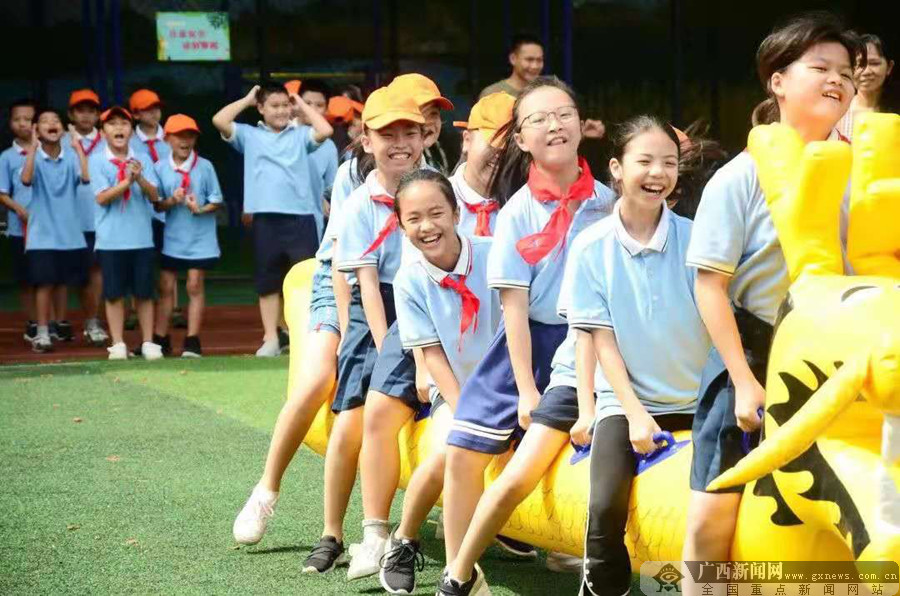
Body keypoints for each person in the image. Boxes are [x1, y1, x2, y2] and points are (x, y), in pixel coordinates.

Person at [681, 13, 860, 595]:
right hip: (754, 352)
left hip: (848, 358)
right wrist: (743, 380)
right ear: (777, 81)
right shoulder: (740, 176)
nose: (838, 81)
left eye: (846, 72)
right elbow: (710, 285)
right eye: (821, 68)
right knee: (713, 514)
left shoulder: (869, 170)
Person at [437, 76, 616, 596]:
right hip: (532, 342)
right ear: (520, 140)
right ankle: (462, 569)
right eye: (538, 119)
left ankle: (583, 551)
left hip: (595, 342)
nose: (554, 125)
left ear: (582, 126)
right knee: (464, 448)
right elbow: (513, 309)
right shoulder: (516, 211)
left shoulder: (609, 202)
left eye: (563, 113)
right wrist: (527, 390)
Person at [565, 116, 711, 596]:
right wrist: (632, 415)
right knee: (605, 506)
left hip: (699, 397)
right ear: (617, 168)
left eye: (669, 163)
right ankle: (604, 582)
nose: (658, 172)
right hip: (627, 402)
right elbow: (600, 338)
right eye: (645, 161)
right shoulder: (589, 247)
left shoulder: (698, 238)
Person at [299, 86, 425, 576]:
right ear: (366, 140)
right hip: (376, 308)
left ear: (424, 137)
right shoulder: (357, 203)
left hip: (426, 302)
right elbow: (364, 286)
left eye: (409, 132)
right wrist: (384, 348)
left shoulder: (435, 188)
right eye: (386, 134)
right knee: (354, 414)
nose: (399, 143)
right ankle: (333, 531)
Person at [375, 170, 500, 594]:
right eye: (414, 218)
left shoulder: (495, 255)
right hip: (458, 392)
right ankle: (405, 538)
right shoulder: (410, 281)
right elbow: (433, 355)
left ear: (456, 212)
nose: (427, 226)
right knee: (454, 447)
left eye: (436, 213)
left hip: (508, 388)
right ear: (400, 225)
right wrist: (467, 412)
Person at [212, 82, 334, 357]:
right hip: (266, 218)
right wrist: (246, 98)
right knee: (267, 281)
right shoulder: (249, 135)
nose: (280, 111)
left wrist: (299, 103)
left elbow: (325, 130)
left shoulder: (301, 135)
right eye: (274, 106)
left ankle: (304, 337)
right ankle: (271, 338)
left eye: (284, 105)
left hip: (300, 217)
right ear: (261, 108)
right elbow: (219, 120)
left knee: (305, 280)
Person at [89, 106, 163, 361]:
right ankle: (118, 343)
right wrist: (126, 182)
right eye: (112, 124)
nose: (119, 128)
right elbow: (101, 198)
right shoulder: (97, 160)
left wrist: (140, 178)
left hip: (141, 237)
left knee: (144, 293)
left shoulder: (142, 157)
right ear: (102, 132)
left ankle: (148, 342)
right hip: (111, 240)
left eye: (124, 124)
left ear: (131, 130)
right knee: (114, 293)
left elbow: (155, 196)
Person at [19, 109, 91, 353]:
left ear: (62, 128)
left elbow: (86, 176)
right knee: (44, 283)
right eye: (44, 121)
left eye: (56, 120)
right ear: (36, 130)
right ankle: (41, 333)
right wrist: (31, 147)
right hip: (41, 235)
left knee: (70, 282)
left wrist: (77, 145)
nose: (51, 123)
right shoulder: (33, 156)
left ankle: (80, 326)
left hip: (69, 235)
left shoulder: (71, 155)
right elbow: (27, 180)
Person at [152, 115, 223, 358]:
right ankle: (160, 338)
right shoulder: (159, 167)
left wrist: (199, 208)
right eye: (179, 136)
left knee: (194, 284)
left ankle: (192, 340)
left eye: (190, 135)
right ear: (167, 139)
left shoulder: (205, 166)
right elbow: (157, 205)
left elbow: (216, 199)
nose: (185, 140)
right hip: (172, 237)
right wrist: (172, 200)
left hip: (200, 238)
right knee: (165, 286)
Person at [67, 88, 109, 346]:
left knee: (98, 270)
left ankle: (94, 320)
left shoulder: (108, 141)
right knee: (76, 274)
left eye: (91, 110)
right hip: (69, 219)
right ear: (71, 114)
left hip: (102, 217)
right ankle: (53, 323)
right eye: (80, 110)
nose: (86, 115)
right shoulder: (59, 141)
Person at [450, 92, 515, 237]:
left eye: (511, 148)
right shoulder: (437, 199)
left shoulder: (522, 206)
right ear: (467, 140)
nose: (501, 152)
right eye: (494, 142)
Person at [0, 99, 37, 343]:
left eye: (28, 119)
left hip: (50, 227)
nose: (23, 124)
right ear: (10, 123)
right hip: (19, 227)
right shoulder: (6, 157)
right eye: (17, 119)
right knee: (26, 279)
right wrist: (18, 209)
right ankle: (33, 321)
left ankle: (54, 321)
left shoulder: (49, 150)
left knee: (51, 277)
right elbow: (2, 192)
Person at [390, 74, 454, 175]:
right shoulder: (363, 168)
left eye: (433, 113)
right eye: (419, 113)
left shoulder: (447, 147)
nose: (429, 122)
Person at [837, 33, 895, 139]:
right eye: (859, 64)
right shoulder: (837, 111)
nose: (866, 71)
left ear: (889, 67)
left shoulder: (896, 113)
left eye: (874, 63)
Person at [479, 34, 545, 99]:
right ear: (513, 59)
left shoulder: (546, 92)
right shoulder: (492, 94)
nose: (535, 66)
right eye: (529, 59)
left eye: (539, 60)